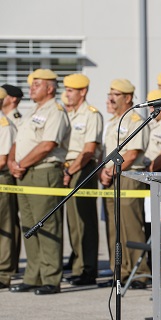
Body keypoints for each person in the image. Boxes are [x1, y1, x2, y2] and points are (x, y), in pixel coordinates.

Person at [8, 69, 71, 295]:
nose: (31, 88)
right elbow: (19, 139)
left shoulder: (55, 111)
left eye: (37, 84)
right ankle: (32, 276)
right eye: (32, 85)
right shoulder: (33, 111)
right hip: (24, 172)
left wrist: (21, 163)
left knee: (46, 224)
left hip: (43, 172)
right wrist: (13, 162)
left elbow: (48, 145)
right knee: (28, 225)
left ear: (50, 88)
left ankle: (50, 278)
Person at [99, 79, 150, 289]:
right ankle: (119, 272)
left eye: (116, 94)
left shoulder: (136, 120)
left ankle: (140, 273)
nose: (111, 98)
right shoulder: (114, 121)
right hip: (111, 177)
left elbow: (133, 152)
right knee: (114, 227)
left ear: (128, 98)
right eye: (110, 93)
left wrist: (110, 170)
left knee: (130, 227)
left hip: (128, 176)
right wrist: (104, 170)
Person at [62, 74, 103, 286]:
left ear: (82, 92)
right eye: (66, 90)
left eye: (71, 90)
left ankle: (88, 268)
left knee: (85, 222)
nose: (67, 94)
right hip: (68, 167)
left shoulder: (91, 114)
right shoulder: (68, 114)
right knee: (73, 224)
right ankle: (77, 264)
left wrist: (71, 171)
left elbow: (88, 150)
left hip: (81, 168)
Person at [0, 109, 18, 289]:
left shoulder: (4, 125)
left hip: (1, 178)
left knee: (4, 227)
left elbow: (2, 160)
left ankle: (3, 273)